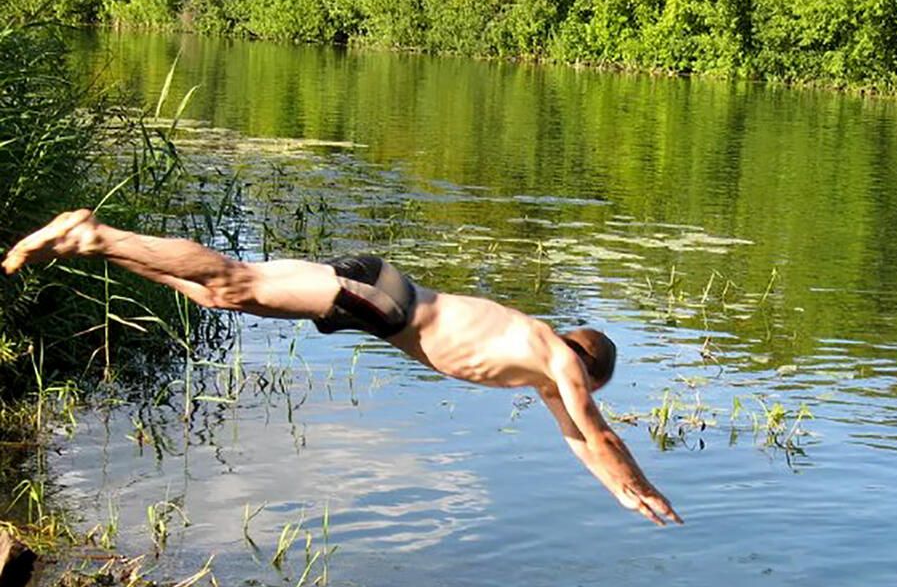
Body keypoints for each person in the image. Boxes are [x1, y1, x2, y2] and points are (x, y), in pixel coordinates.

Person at [3, 209, 681, 526]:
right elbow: (601, 435)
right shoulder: (560, 359)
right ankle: (96, 235)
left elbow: (582, 444)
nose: (580, 398)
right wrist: (647, 486)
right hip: (384, 302)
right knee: (233, 280)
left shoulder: (541, 362)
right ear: (589, 367)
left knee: (218, 293)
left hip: (382, 302)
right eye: (589, 390)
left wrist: (616, 491)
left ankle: (87, 245)